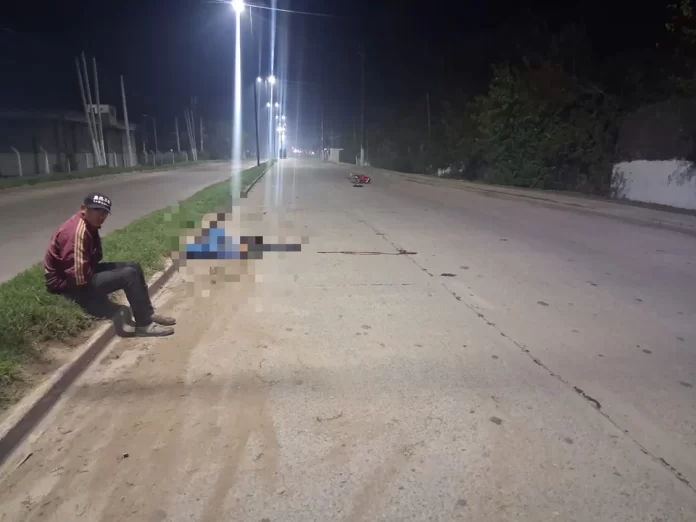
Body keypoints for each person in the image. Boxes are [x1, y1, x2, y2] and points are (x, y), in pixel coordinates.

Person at [44, 192, 176, 337]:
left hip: (83, 273)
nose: (100, 216)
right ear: (84, 208)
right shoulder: (77, 232)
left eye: (104, 212)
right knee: (128, 275)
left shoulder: (88, 224)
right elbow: (78, 277)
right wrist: (96, 292)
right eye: (95, 210)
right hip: (69, 285)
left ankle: (147, 314)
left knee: (134, 266)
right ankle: (144, 325)